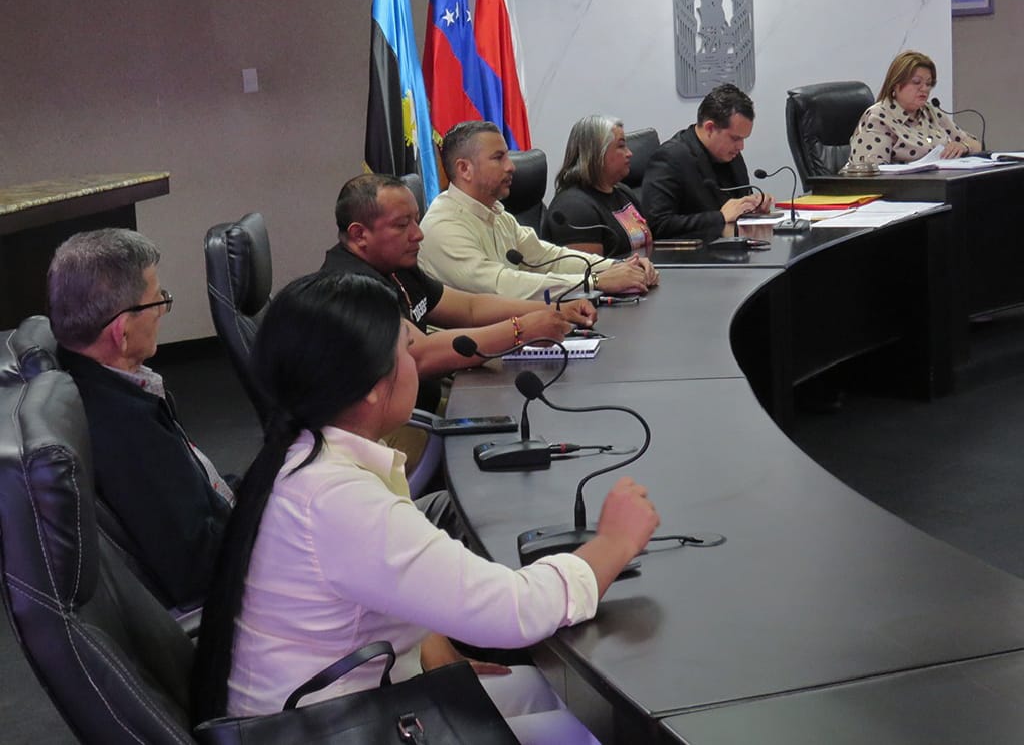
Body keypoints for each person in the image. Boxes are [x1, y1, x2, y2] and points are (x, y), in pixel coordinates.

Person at [191, 272, 659, 744]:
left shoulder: (300, 457)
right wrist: (614, 543)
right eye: (409, 352)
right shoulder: (336, 500)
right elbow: (515, 610)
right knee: (592, 732)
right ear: (372, 387)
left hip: (332, 709)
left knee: (544, 692)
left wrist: (429, 648)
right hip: (322, 730)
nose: (417, 364)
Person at [47, 229, 233, 609]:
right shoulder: (127, 431)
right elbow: (200, 570)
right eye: (158, 301)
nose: (162, 310)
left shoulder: (92, 385)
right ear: (122, 331)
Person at [322, 174, 598, 414]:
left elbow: (470, 308)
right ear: (359, 235)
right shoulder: (349, 287)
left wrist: (553, 309)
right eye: (402, 225)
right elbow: (419, 355)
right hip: (392, 429)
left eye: (416, 221)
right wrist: (521, 330)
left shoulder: (395, 266)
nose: (418, 234)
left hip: (425, 405)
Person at [419, 120, 659, 301]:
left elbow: (548, 257)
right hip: (469, 347)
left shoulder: (496, 214)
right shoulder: (443, 227)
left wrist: (617, 267)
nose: (511, 166)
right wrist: (594, 281)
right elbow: (500, 287)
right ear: (464, 169)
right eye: (498, 158)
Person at [641, 83, 774, 238]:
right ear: (710, 128)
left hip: (731, 245)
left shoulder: (731, 154)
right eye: (735, 138)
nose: (741, 146)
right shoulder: (669, 159)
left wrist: (753, 207)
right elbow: (658, 225)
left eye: (743, 139)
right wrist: (719, 217)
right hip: (695, 251)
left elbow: (737, 206)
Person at [847, 51, 982, 165]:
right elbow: (871, 172)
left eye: (929, 84)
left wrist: (964, 146)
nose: (924, 89)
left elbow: (976, 145)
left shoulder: (930, 112)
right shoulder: (878, 117)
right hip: (902, 187)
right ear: (896, 84)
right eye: (917, 82)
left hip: (937, 184)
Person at [547, 115, 653, 257]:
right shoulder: (574, 208)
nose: (629, 153)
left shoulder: (623, 192)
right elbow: (590, 268)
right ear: (596, 152)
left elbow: (648, 245)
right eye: (621, 146)